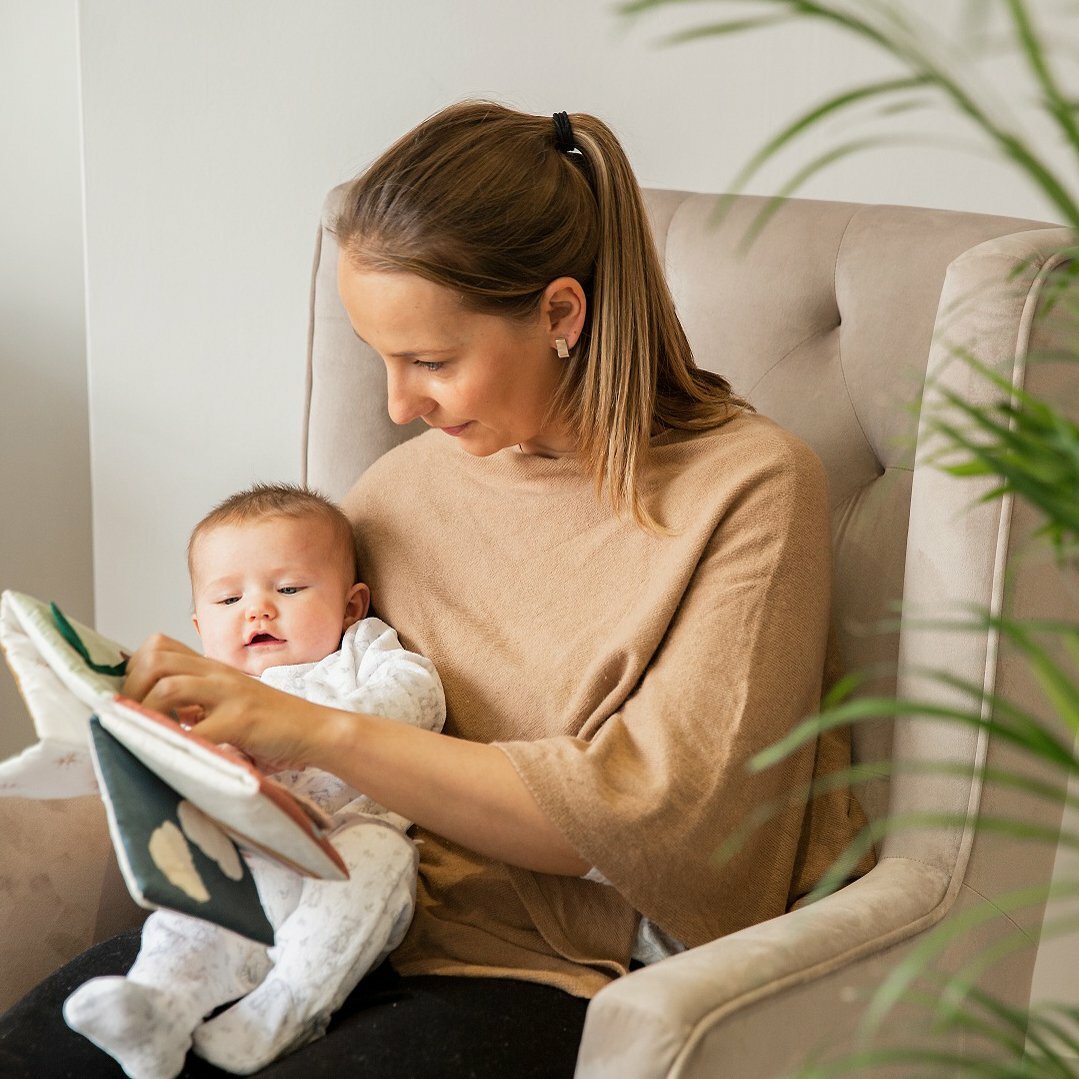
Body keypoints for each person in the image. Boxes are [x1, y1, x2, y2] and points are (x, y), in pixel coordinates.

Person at [0, 102, 871, 1078]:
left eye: (430, 361)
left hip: (540, 968)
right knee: (37, 1051)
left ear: (558, 313)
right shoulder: (396, 492)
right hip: (306, 911)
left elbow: (656, 818)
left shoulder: (747, 486)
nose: (396, 405)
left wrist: (315, 730)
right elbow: (326, 705)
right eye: (381, 357)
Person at [63, 483, 445, 1078]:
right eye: (227, 600)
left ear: (350, 606)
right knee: (183, 925)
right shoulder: (203, 689)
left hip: (337, 848)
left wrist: (311, 730)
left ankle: (285, 1009)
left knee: (383, 858)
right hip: (242, 861)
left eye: (288, 589)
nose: (258, 610)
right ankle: (157, 1013)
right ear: (198, 624)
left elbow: (421, 697)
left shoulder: (359, 652)